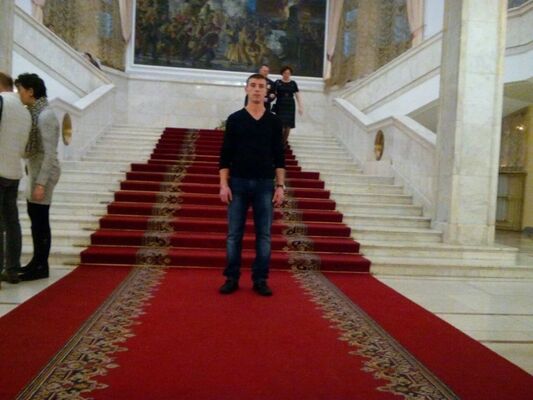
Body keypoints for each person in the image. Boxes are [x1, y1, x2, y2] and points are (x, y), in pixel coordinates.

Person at [219, 73, 286, 296]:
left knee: (264, 235)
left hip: (265, 184)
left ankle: (260, 279)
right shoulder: (235, 119)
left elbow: (279, 158)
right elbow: (225, 156)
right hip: (237, 183)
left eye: (261, 86)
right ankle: (231, 277)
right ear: (246, 89)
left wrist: (280, 186)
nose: (257, 89)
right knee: (234, 235)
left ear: (266, 91)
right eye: (253, 85)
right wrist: (223, 185)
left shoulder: (274, 122)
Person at [15, 73, 61, 281]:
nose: (19, 94)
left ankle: (41, 265)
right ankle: (36, 261)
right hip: (36, 169)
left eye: (20, 90)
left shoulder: (45, 115)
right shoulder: (36, 113)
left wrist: (41, 183)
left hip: (45, 173)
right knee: (36, 219)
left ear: (31, 91)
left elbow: (50, 153)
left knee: (40, 220)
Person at [0, 73, 32, 285]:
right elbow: (23, 148)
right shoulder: (24, 110)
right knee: (12, 223)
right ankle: (12, 269)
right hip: (14, 172)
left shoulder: (2, 101)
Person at [273, 65, 303, 145]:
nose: (287, 75)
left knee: (288, 127)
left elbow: (297, 95)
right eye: (285, 73)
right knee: (281, 126)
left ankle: (283, 144)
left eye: (288, 73)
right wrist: (272, 96)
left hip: (290, 106)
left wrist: (300, 106)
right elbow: (273, 93)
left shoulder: (293, 83)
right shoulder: (277, 82)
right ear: (282, 73)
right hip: (280, 105)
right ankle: (279, 143)